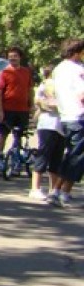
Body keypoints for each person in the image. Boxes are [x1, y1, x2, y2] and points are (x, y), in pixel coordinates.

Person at [52, 38, 84, 207]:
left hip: (65, 115)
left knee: (72, 154)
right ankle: (63, 192)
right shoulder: (77, 70)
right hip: (79, 115)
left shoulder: (58, 68)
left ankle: (58, 190)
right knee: (76, 157)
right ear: (77, 52)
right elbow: (82, 94)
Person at [0, 46, 34, 175]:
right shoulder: (4, 73)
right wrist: (0, 110)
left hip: (22, 110)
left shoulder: (26, 72)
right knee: (3, 134)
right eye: (10, 56)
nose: (12, 58)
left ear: (20, 57)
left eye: (15, 56)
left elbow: (30, 89)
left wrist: (32, 105)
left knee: (19, 135)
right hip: (7, 110)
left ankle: (16, 161)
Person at [29, 65, 65, 202]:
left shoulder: (61, 85)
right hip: (48, 125)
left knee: (56, 158)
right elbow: (40, 102)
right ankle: (35, 188)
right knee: (44, 155)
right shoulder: (47, 85)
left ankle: (53, 189)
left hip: (61, 126)